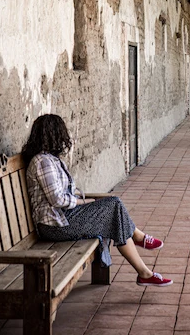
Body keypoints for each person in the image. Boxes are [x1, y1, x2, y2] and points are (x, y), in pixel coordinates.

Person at [22, 113, 172, 287]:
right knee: (114, 206)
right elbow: (57, 199)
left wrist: (82, 200)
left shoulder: (51, 160)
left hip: (63, 219)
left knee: (114, 212)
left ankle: (144, 268)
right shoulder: (42, 161)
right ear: (53, 135)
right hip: (54, 227)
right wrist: (83, 202)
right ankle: (139, 245)